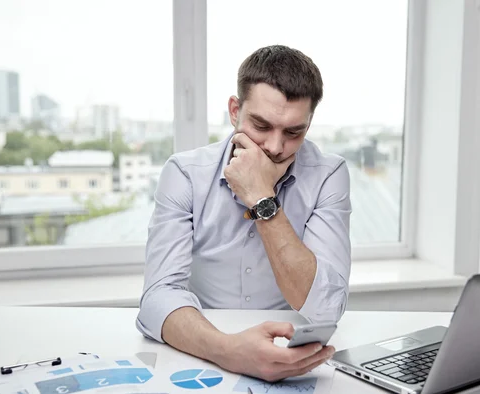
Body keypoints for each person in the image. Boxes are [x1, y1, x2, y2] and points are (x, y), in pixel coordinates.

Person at [136, 45, 352, 382]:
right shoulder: (185, 173)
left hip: (290, 355)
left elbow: (325, 305)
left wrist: (261, 197)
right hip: (202, 350)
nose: (275, 147)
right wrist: (229, 351)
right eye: (261, 125)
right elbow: (157, 299)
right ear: (235, 110)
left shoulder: (328, 175)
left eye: (294, 132)